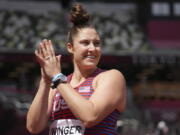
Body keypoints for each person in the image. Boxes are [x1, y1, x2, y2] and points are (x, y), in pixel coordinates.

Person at [26, 3, 126, 135]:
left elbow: (90, 116)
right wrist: (45, 80)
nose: (92, 49)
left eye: (97, 43)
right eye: (85, 43)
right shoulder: (57, 85)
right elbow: (33, 127)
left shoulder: (111, 77)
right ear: (70, 47)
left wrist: (56, 76)